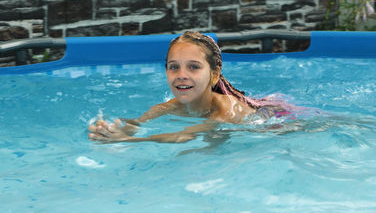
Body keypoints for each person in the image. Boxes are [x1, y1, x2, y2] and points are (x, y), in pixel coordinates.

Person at [88, 31, 294, 144]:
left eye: (194, 67)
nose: (181, 75)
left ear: (214, 75)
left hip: (278, 121)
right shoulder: (170, 106)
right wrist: (113, 130)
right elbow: (136, 122)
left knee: (212, 138)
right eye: (173, 67)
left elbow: (183, 136)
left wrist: (126, 141)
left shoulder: (226, 111)